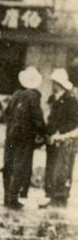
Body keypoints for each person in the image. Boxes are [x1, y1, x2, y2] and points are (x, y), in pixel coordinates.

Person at [1, 66, 47, 209]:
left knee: (8, 164)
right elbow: (37, 118)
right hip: (25, 137)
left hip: (11, 135)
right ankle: (15, 198)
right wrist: (43, 133)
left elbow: (6, 114)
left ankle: (7, 197)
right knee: (20, 166)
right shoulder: (34, 96)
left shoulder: (16, 95)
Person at [43, 68, 78, 208]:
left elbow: (74, 123)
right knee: (51, 170)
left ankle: (60, 200)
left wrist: (61, 135)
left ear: (58, 83)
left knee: (61, 170)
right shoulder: (55, 100)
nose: (53, 85)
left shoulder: (71, 101)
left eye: (54, 83)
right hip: (53, 140)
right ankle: (52, 198)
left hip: (65, 141)